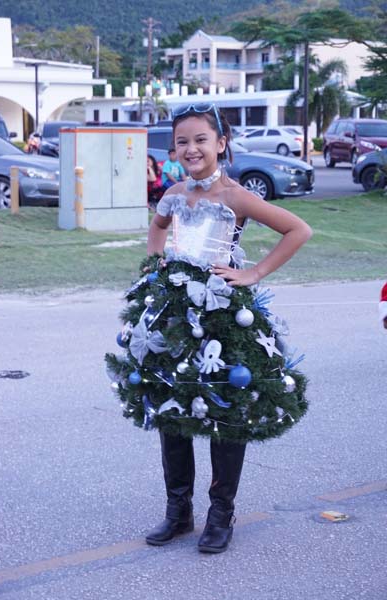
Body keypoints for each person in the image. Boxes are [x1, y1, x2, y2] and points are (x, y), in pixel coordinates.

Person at [107, 103, 312, 554]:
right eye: (182, 141)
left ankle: (221, 514)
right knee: (172, 408)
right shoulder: (174, 192)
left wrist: (253, 273)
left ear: (221, 143)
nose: (191, 148)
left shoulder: (236, 196)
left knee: (225, 413)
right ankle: (178, 511)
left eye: (201, 139)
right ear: (173, 148)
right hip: (174, 316)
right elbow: (159, 226)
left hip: (222, 316)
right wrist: (157, 263)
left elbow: (298, 230)